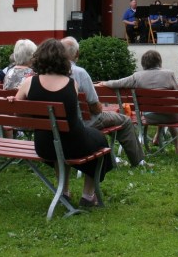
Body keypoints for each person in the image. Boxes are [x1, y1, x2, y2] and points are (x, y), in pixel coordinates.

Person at [14, 39, 113, 208]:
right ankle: (88, 196)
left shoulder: (29, 83)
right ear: (63, 60)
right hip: (73, 144)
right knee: (100, 140)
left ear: (39, 58)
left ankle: (64, 192)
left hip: (44, 145)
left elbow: (18, 110)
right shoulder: (71, 84)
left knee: (59, 141)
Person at [59, 36, 146, 167]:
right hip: (85, 122)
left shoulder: (47, 73)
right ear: (77, 53)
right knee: (125, 121)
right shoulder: (80, 73)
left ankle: (111, 157)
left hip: (58, 125)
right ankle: (139, 162)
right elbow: (95, 107)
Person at [95, 50, 178, 156]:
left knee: (159, 109)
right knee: (167, 108)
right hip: (173, 117)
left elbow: (118, 83)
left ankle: (157, 137)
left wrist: (104, 83)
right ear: (159, 61)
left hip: (151, 117)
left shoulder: (137, 77)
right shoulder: (169, 74)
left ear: (143, 63)